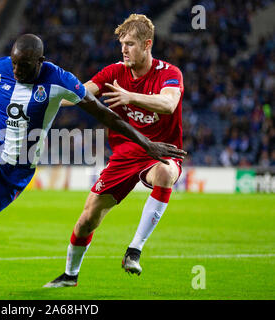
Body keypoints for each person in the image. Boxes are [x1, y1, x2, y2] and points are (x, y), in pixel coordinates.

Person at [0, 33, 185, 288]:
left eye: (24, 65)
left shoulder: (60, 80)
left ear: (40, 61)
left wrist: (146, 143)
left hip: (18, 169)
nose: (17, 70)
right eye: (14, 63)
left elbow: (105, 114)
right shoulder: (0, 69)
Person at [45, 14, 185, 287]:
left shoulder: (169, 73)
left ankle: (134, 250)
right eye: (122, 44)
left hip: (159, 151)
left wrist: (130, 96)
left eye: (130, 44)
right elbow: (81, 94)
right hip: (124, 155)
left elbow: (168, 105)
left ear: (147, 44)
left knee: (166, 174)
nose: (124, 49)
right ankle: (70, 276)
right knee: (88, 219)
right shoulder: (113, 72)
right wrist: (44, 100)